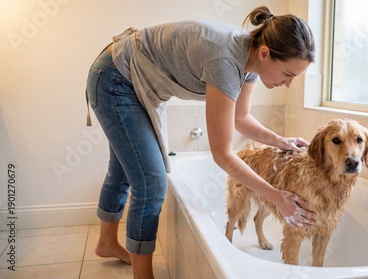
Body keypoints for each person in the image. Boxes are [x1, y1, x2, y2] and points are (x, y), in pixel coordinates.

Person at [86, 6, 316, 279]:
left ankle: (107, 244)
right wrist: (277, 197)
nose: (288, 84)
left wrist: (280, 141)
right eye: (288, 74)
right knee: (151, 183)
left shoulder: (251, 62)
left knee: (124, 168)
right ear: (266, 53)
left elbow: (240, 118)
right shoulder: (226, 62)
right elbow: (222, 155)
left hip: (128, 77)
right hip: (116, 79)